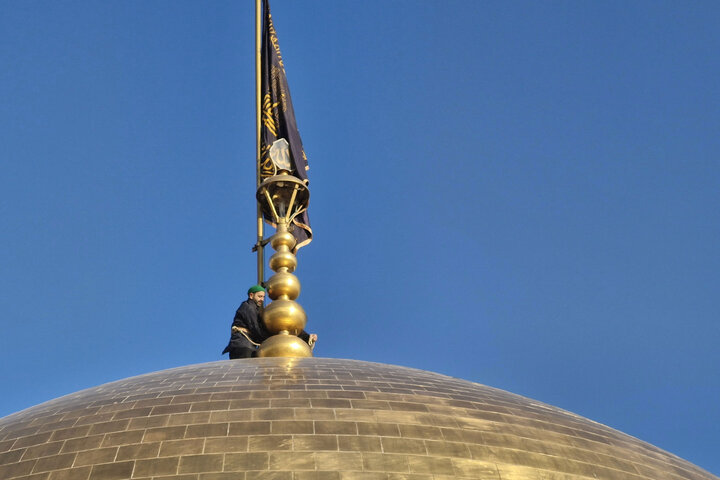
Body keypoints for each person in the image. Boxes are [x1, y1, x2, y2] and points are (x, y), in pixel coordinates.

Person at [222, 284, 318, 359]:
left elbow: (280, 326)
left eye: (263, 297)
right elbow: (255, 328)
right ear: (251, 295)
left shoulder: (257, 311)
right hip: (242, 345)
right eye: (259, 296)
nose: (262, 300)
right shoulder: (248, 307)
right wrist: (273, 340)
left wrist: (306, 337)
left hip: (250, 346)